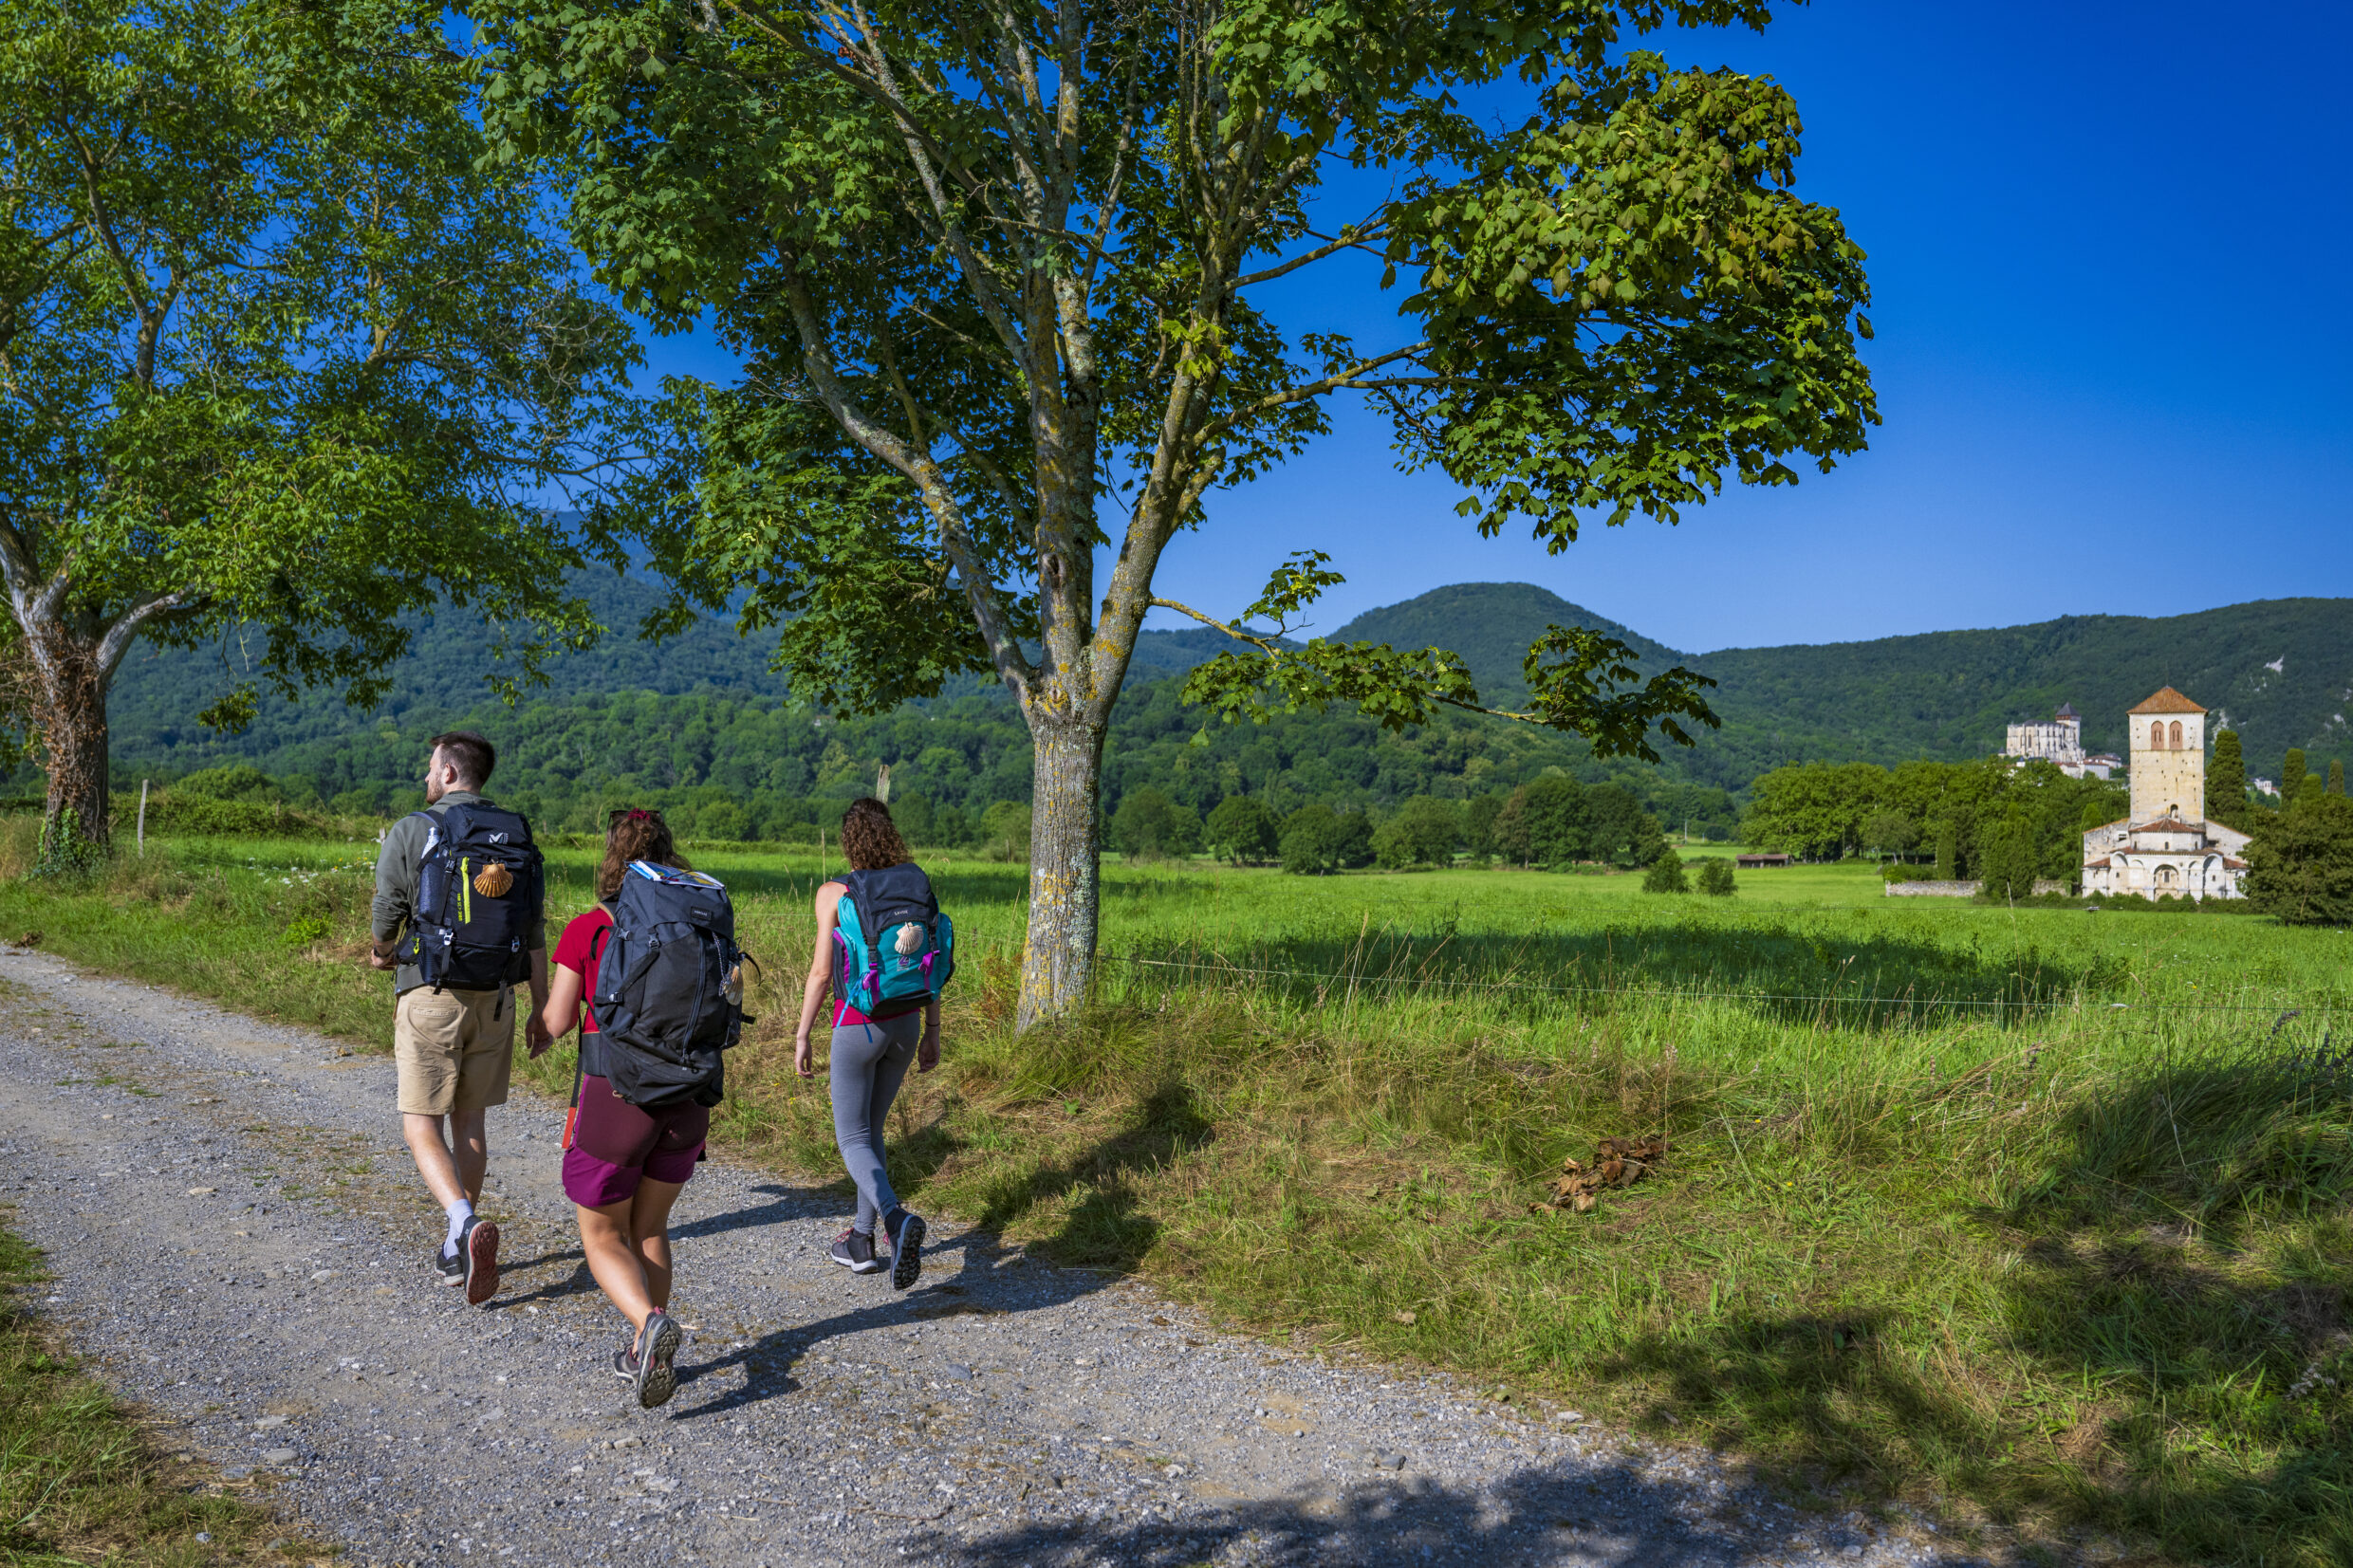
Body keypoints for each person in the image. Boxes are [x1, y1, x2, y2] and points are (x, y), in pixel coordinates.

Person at [371, 731, 550, 1305]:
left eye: (430, 768)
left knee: (420, 1121)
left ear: (449, 773)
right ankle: (456, 1248)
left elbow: (387, 911)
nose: (426, 778)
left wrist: (380, 950)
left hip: (433, 992)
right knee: (469, 1123)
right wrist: (542, 1010)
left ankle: (465, 1223)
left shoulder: (414, 828)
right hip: (497, 997)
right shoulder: (516, 833)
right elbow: (536, 930)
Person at [541, 809, 702, 1409]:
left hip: (617, 1098)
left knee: (604, 1234)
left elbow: (558, 1023)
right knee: (651, 1228)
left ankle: (648, 1325)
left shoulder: (590, 929)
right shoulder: (700, 923)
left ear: (610, 857)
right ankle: (644, 1349)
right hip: (688, 1099)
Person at [794, 798, 941, 1290]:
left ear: (848, 842)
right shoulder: (915, 885)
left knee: (852, 1138)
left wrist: (802, 1034)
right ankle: (861, 1241)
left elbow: (820, 973)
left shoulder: (835, 893)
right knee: (871, 1132)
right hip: (907, 1023)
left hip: (858, 1024)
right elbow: (932, 962)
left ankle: (895, 1220)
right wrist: (933, 1031)